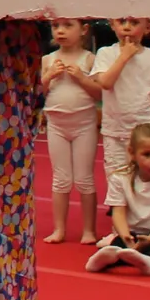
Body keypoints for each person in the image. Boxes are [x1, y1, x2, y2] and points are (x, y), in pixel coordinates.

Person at [93, 16, 150, 236]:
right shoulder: (105, 53)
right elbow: (105, 83)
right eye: (122, 21)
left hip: (144, 130)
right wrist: (124, 57)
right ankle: (120, 230)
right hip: (115, 130)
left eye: (134, 22)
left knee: (146, 177)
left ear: (147, 26)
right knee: (117, 177)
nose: (127, 27)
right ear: (112, 24)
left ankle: (147, 226)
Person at [86, 122, 150, 276]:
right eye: (148, 154)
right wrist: (126, 237)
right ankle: (107, 258)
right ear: (132, 153)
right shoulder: (120, 177)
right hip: (132, 233)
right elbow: (118, 212)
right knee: (117, 244)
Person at [41, 17, 103, 245]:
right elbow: (39, 91)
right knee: (60, 179)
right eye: (56, 26)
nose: (61, 31)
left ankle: (89, 230)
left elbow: (99, 94)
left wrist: (81, 78)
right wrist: (49, 76)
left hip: (84, 123)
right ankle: (59, 229)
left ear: (83, 29)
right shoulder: (48, 59)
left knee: (85, 179)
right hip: (56, 124)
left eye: (68, 26)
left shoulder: (90, 59)